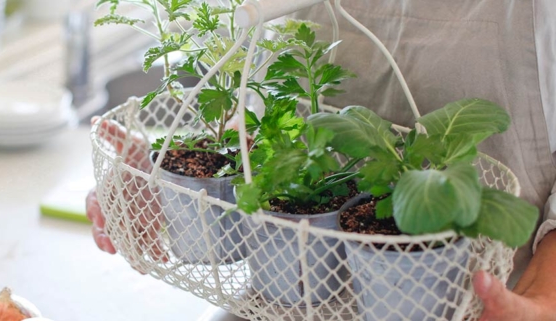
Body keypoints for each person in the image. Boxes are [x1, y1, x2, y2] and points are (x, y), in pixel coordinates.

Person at [86, 1, 556, 320]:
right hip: (277, 298)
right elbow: (265, 116)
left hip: (476, 305)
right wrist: (174, 171)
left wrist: (543, 298)